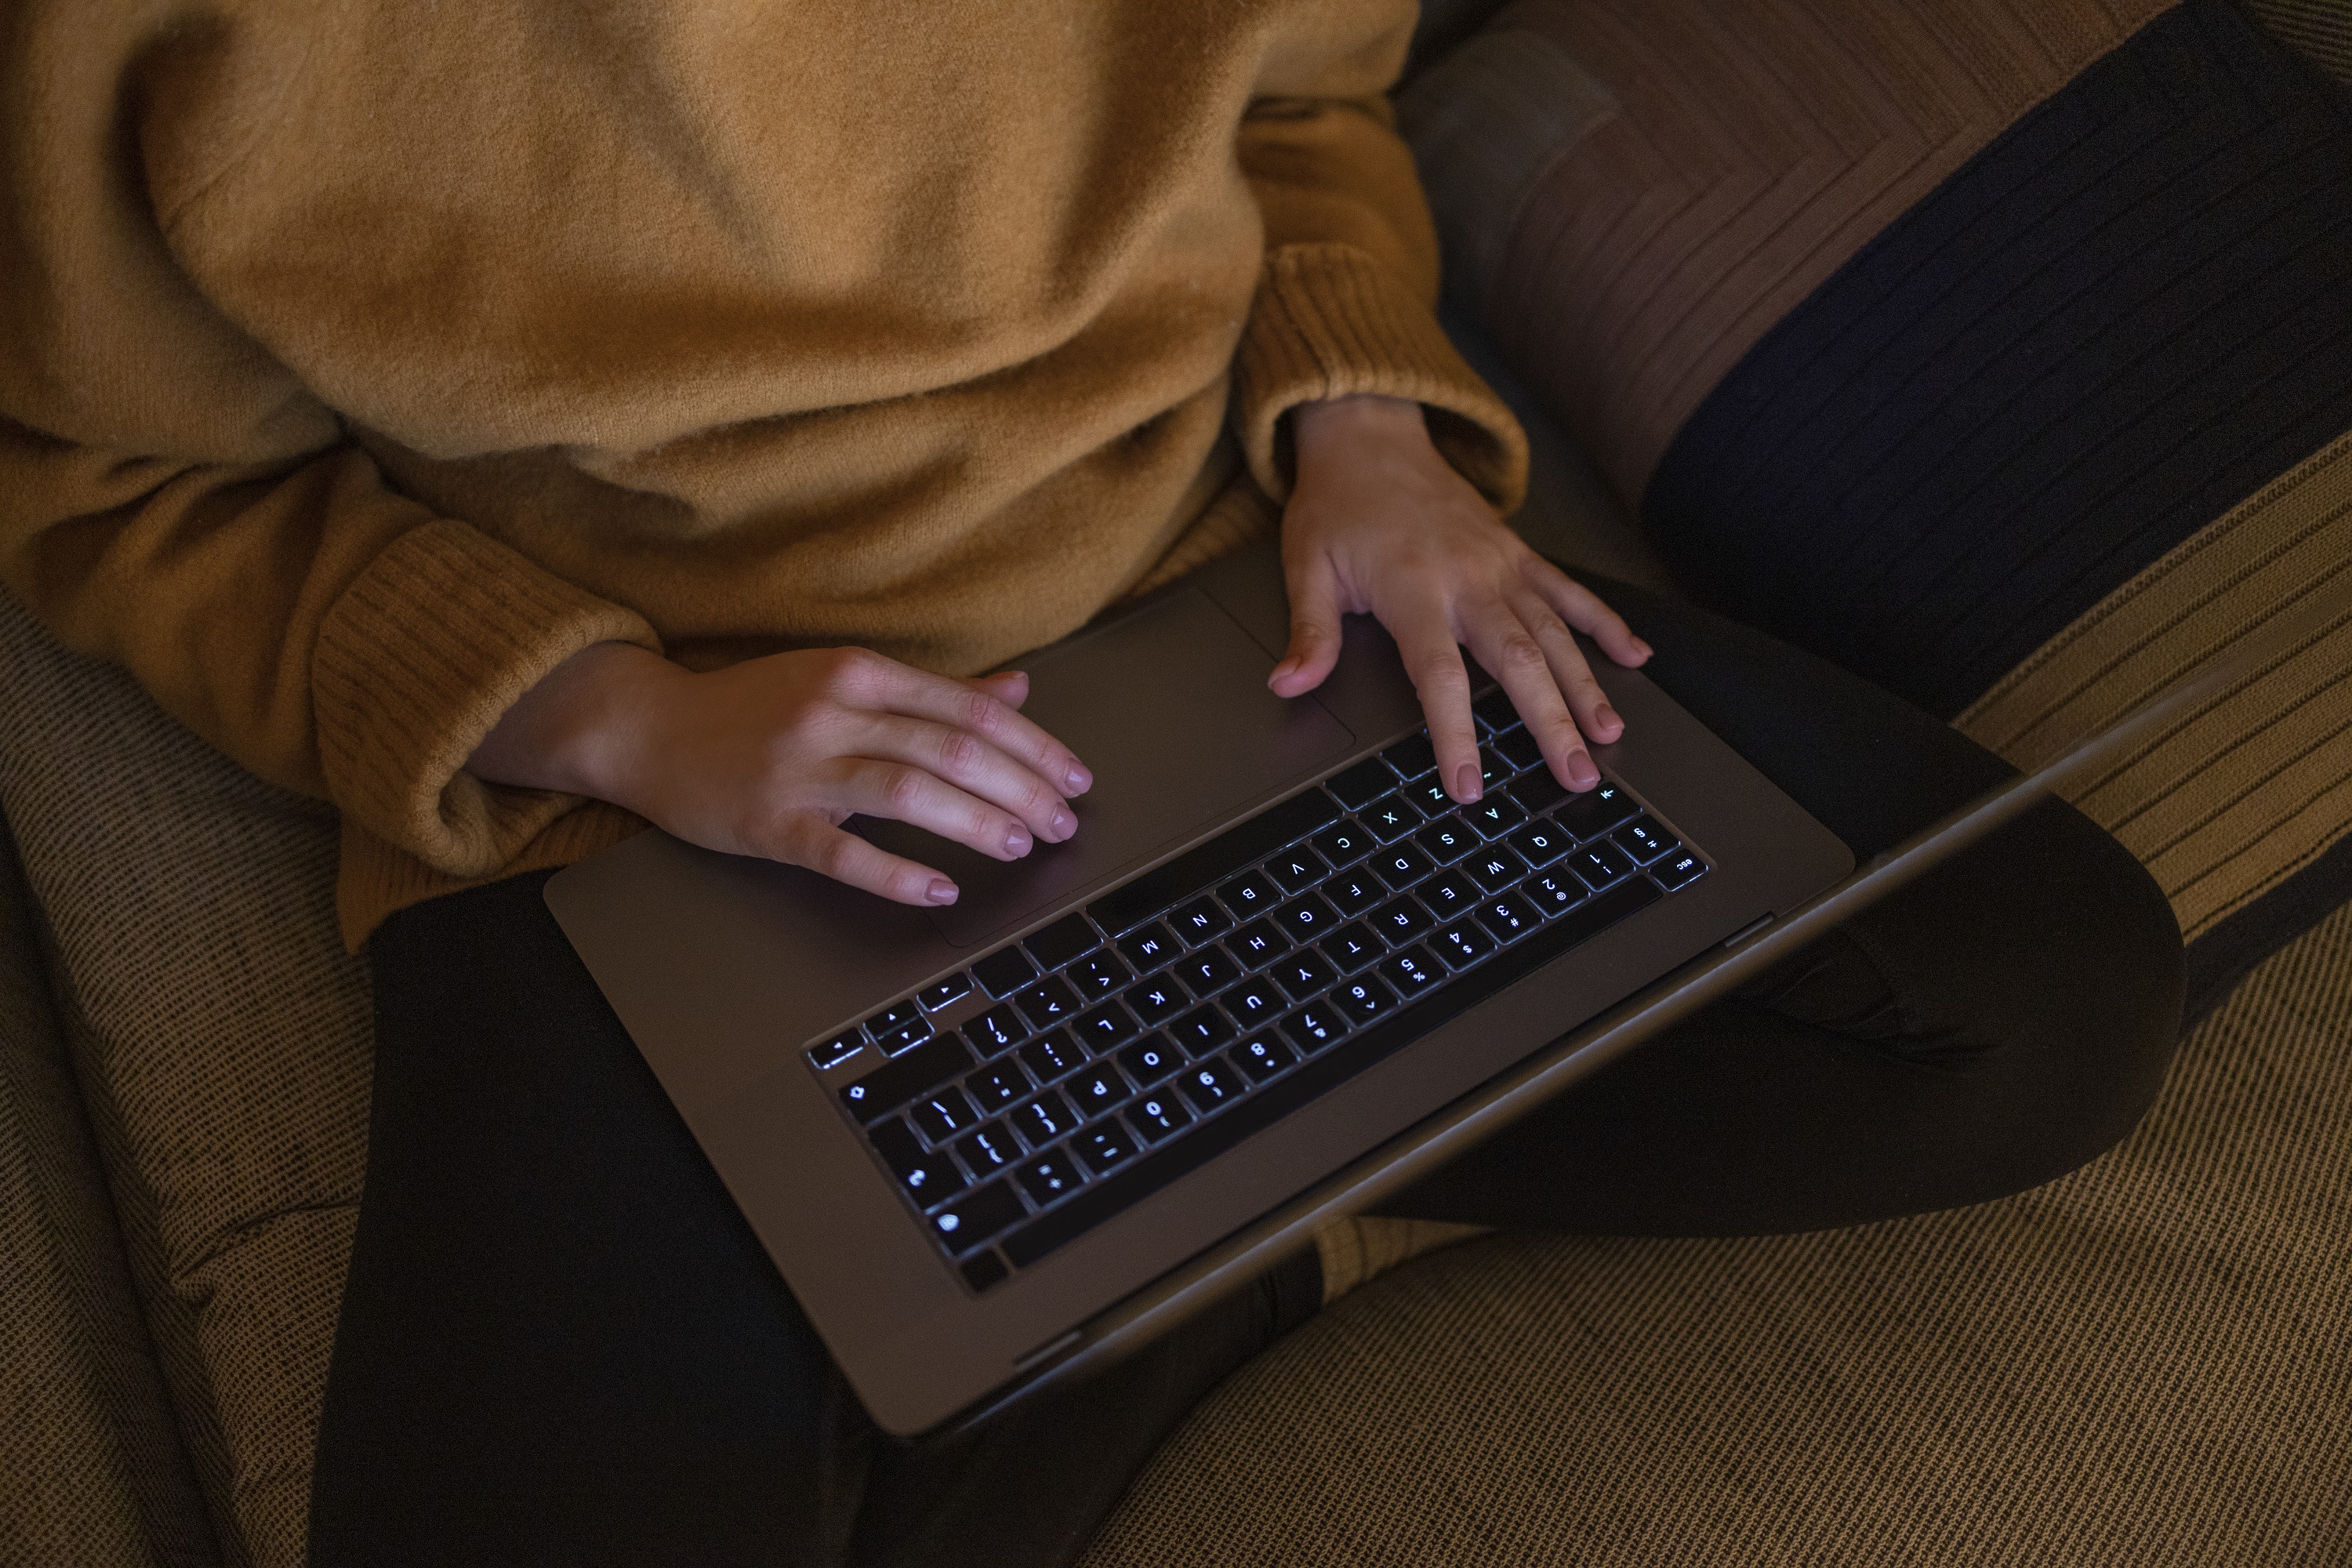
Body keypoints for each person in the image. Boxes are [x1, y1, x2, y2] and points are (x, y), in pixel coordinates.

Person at [0, 1, 2183, 1563]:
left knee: (2039, 994)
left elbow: (1303, 99)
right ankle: (1191, 1208)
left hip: (1230, 590)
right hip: (654, 789)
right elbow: (108, 485)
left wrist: (1367, 429)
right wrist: (616, 718)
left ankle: (1146, 1199)